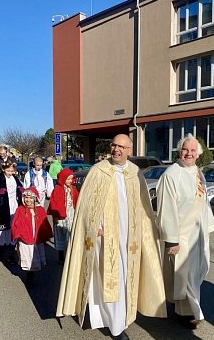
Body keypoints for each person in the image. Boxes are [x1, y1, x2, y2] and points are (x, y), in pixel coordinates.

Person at [56, 134, 166, 340]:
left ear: (129, 151)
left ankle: (120, 317)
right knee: (110, 279)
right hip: (105, 237)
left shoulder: (135, 173)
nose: (116, 149)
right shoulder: (99, 171)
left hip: (129, 237)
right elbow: (87, 205)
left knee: (126, 278)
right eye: (114, 145)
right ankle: (116, 327)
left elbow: (143, 207)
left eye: (122, 147)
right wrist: (94, 225)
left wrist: (147, 230)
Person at [156, 134, 214, 329]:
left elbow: (203, 202)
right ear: (179, 151)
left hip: (197, 234)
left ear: (198, 154)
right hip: (181, 236)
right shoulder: (170, 175)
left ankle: (185, 308)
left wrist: (207, 227)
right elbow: (166, 209)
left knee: (195, 273)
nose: (188, 154)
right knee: (184, 275)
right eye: (185, 149)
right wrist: (172, 240)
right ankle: (189, 313)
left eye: (192, 151)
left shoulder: (198, 172)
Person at [11, 187, 53, 286]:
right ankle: (28, 273)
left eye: (30, 198)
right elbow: (16, 223)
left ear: (35, 198)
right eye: (26, 198)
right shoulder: (20, 210)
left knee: (35, 255)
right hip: (25, 238)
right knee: (26, 255)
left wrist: (46, 234)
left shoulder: (40, 210)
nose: (28, 200)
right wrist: (17, 234)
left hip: (36, 238)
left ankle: (32, 272)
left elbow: (44, 223)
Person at [0, 162, 23, 262]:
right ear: (3, 170)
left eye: (11, 171)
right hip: (2, 207)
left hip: (14, 205)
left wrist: (21, 190)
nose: (10, 173)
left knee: (13, 228)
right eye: (7, 171)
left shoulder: (15, 178)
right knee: (2, 230)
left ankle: (11, 252)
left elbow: (20, 188)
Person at [47, 168, 78, 264]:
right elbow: (54, 204)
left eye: (71, 179)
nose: (69, 181)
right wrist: (55, 217)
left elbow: (77, 200)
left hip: (71, 213)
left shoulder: (73, 189)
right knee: (61, 234)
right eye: (68, 179)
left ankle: (69, 254)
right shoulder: (57, 190)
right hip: (61, 215)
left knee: (70, 233)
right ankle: (61, 256)